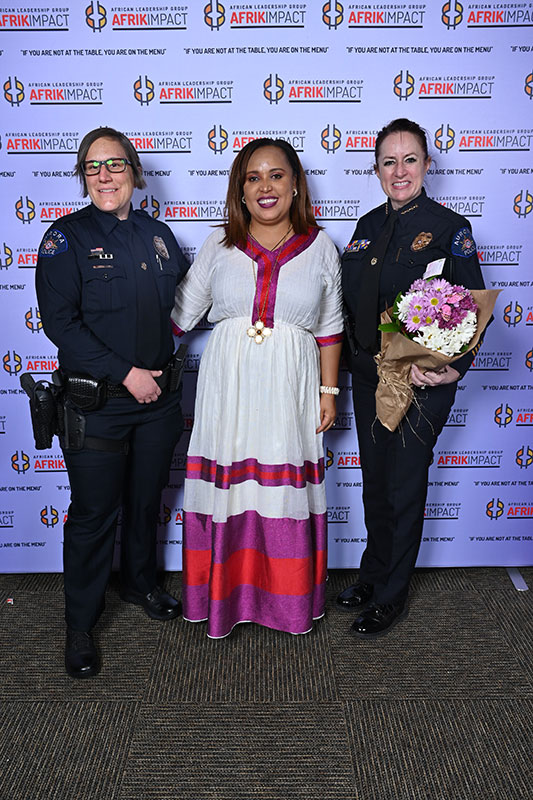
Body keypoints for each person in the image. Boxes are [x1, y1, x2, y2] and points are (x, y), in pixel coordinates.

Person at [172, 138, 343, 638]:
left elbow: (330, 329)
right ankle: (223, 600)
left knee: (283, 491)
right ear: (240, 191)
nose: (265, 186)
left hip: (291, 386)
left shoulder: (321, 247)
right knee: (228, 487)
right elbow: (181, 315)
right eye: (253, 177)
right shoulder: (219, 244)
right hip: (228, 386)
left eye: (276, 174)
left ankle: (286, 604)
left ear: (296, 185)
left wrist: (328, 392)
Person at [35, 127, 189, 677]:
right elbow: (61, 325)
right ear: (83, 177)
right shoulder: (65, 238)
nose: (104, 176)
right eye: (92, 167)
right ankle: (80, 625)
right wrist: (127, 374)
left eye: (115, 164)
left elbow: (184, 307)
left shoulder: (159, 236)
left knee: (145, 503)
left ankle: (140, 584)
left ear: (135, 173)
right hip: (97, 404)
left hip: (159, 403)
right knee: (94, 515)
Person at [337, 118, 485, 638]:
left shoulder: (450, 228)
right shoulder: (365, 226)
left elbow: (472, 308)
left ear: (427, 165)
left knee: (403, 486)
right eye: (388, 161)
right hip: (368, 375)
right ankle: (373, 575)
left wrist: (454, 368)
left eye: (410, 160)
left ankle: (391, 595)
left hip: (420, 381)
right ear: (376, 169)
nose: (399, 171)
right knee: (376, 483)